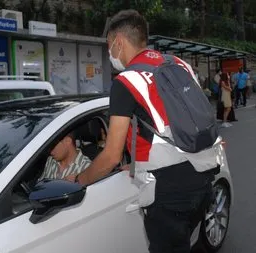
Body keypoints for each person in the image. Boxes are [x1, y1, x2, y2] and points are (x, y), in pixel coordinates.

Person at [65, 10, 215, 253]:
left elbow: (112, 155)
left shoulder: (126, 81)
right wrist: (137, 164)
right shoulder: (179, 65)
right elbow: (179, 121)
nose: (110, 52)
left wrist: (78, 181)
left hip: (169, 193)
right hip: (203, 177)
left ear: (119, 42)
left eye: (109, 45)